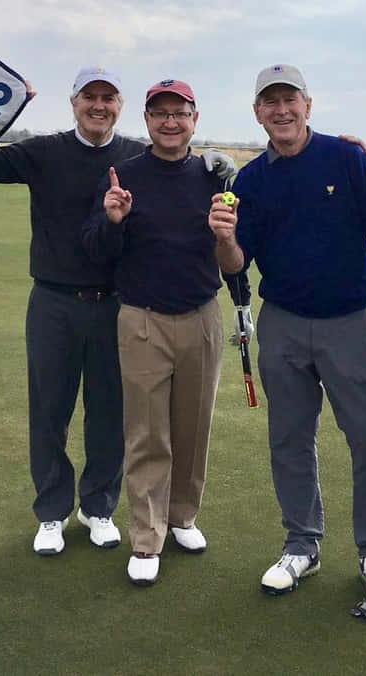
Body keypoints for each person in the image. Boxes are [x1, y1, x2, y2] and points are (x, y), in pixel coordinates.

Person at [0, 67, 235, 556]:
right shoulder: (44, 150)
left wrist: (217, 162)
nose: (98, 106)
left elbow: (175, 161)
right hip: (54, 299)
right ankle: (51, 511)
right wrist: (8, 110)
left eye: (108, 98)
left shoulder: (132, 157)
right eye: (90, 97)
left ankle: (98, 506)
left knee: (110, 412)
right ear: (74, 103)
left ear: (121, 107)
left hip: (115, 302)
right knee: (50, 409)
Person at [208, 64, 366, 603]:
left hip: (350, 322)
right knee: (289, 438)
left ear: (308, 105)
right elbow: (237, 262)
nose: (281, 111)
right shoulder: (251, 180)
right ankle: (302, 544)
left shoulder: (346, 159)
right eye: (270, 102)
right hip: (284, 323)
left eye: (290, 100)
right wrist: (224, 238)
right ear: (257, 113)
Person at [81, 78, 249, 587]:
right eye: (160, 113)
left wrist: (225, 236)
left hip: (201, 316)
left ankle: (182, 517)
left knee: (193, 428)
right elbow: (97, 249)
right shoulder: (124, 175)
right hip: (142, 318)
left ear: (195, 119)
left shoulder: (214, 177)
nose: (170, 122)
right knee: (148, 432)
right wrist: (113, 219)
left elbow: (233, 262)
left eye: (180, 113)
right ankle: (147, 536)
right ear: (147, 120)